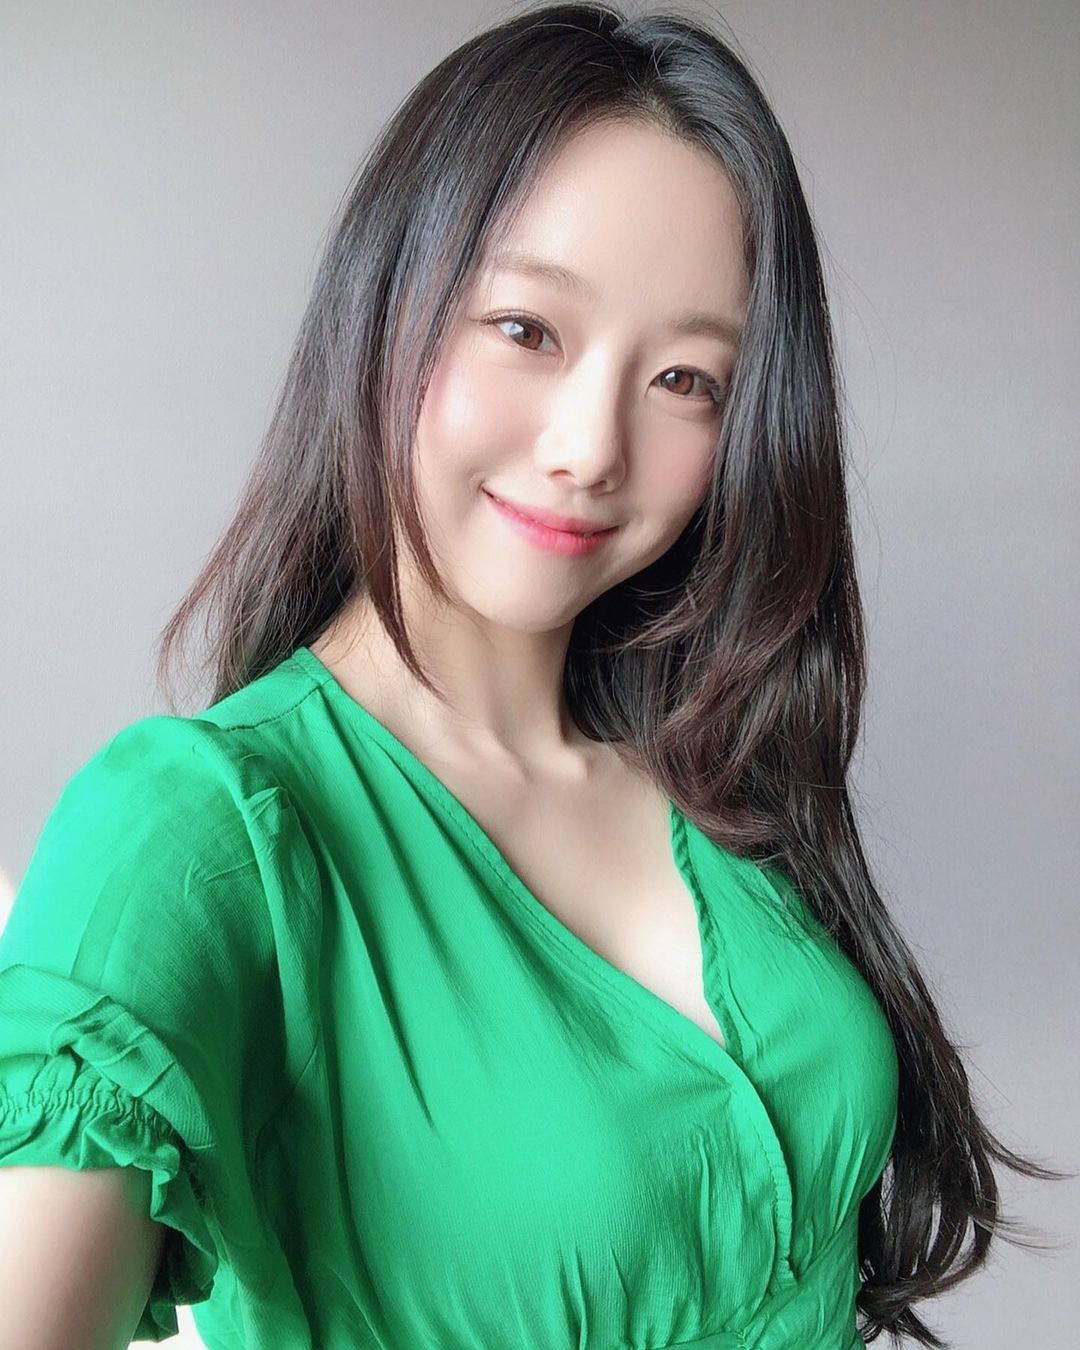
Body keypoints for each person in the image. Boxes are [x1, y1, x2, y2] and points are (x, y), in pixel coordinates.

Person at [0, 3, 1068, 1348]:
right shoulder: (197, 831)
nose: (590, 446)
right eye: (526, 329)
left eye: (686, 378)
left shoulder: (714, 775)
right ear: (383, 306)